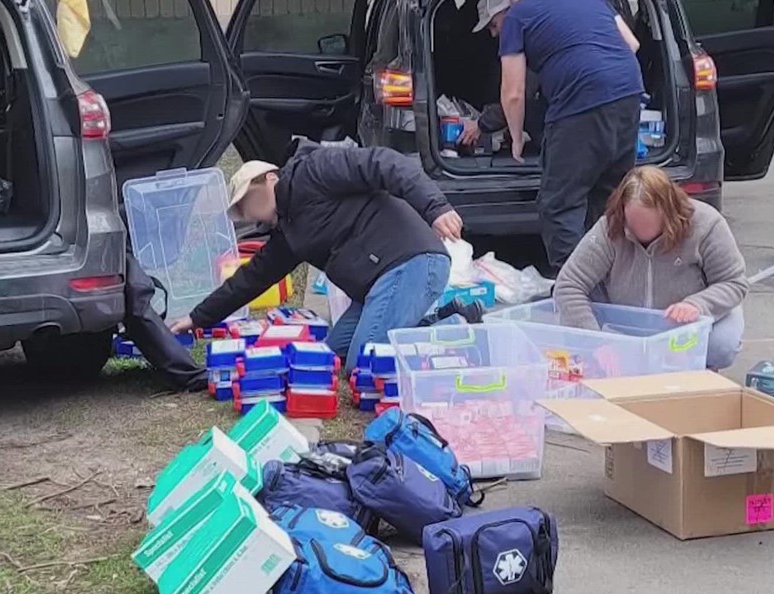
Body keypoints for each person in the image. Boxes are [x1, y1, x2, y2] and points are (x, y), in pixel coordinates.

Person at [168, 141, 473, 370]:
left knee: (365, 364)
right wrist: (197, 318)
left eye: (247, 199)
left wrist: (436, 208)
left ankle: (457, 328)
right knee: (332, 354)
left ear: (270, 179)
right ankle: (431, 320)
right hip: (375, 287)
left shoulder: (313, 171)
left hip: (411, 262)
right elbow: (250, 279)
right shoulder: (287, 233)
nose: (247, 212)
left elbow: (386, 162)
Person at [476, 0, 643, 276]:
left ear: (504, 10)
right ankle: (612, 277)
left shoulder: (517, 17)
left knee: (559, 203)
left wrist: (516, 138)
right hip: (628, 93)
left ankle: (573, 285)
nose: (494, 34)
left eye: (493, 25)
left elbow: (514, 92)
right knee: (610, 195)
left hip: (581, 102)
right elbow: (632, 44)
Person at [552, 167, 748, 371]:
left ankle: (700, 368)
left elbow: (734, 282)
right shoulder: (609, 228)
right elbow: (568, 285)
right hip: (626, 326)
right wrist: (595, 343)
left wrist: (698, 305)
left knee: (722, 346)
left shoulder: (707, 224)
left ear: (670, 212)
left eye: (652, 227)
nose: (641, 236)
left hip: (685, 327)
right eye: (633, 226)